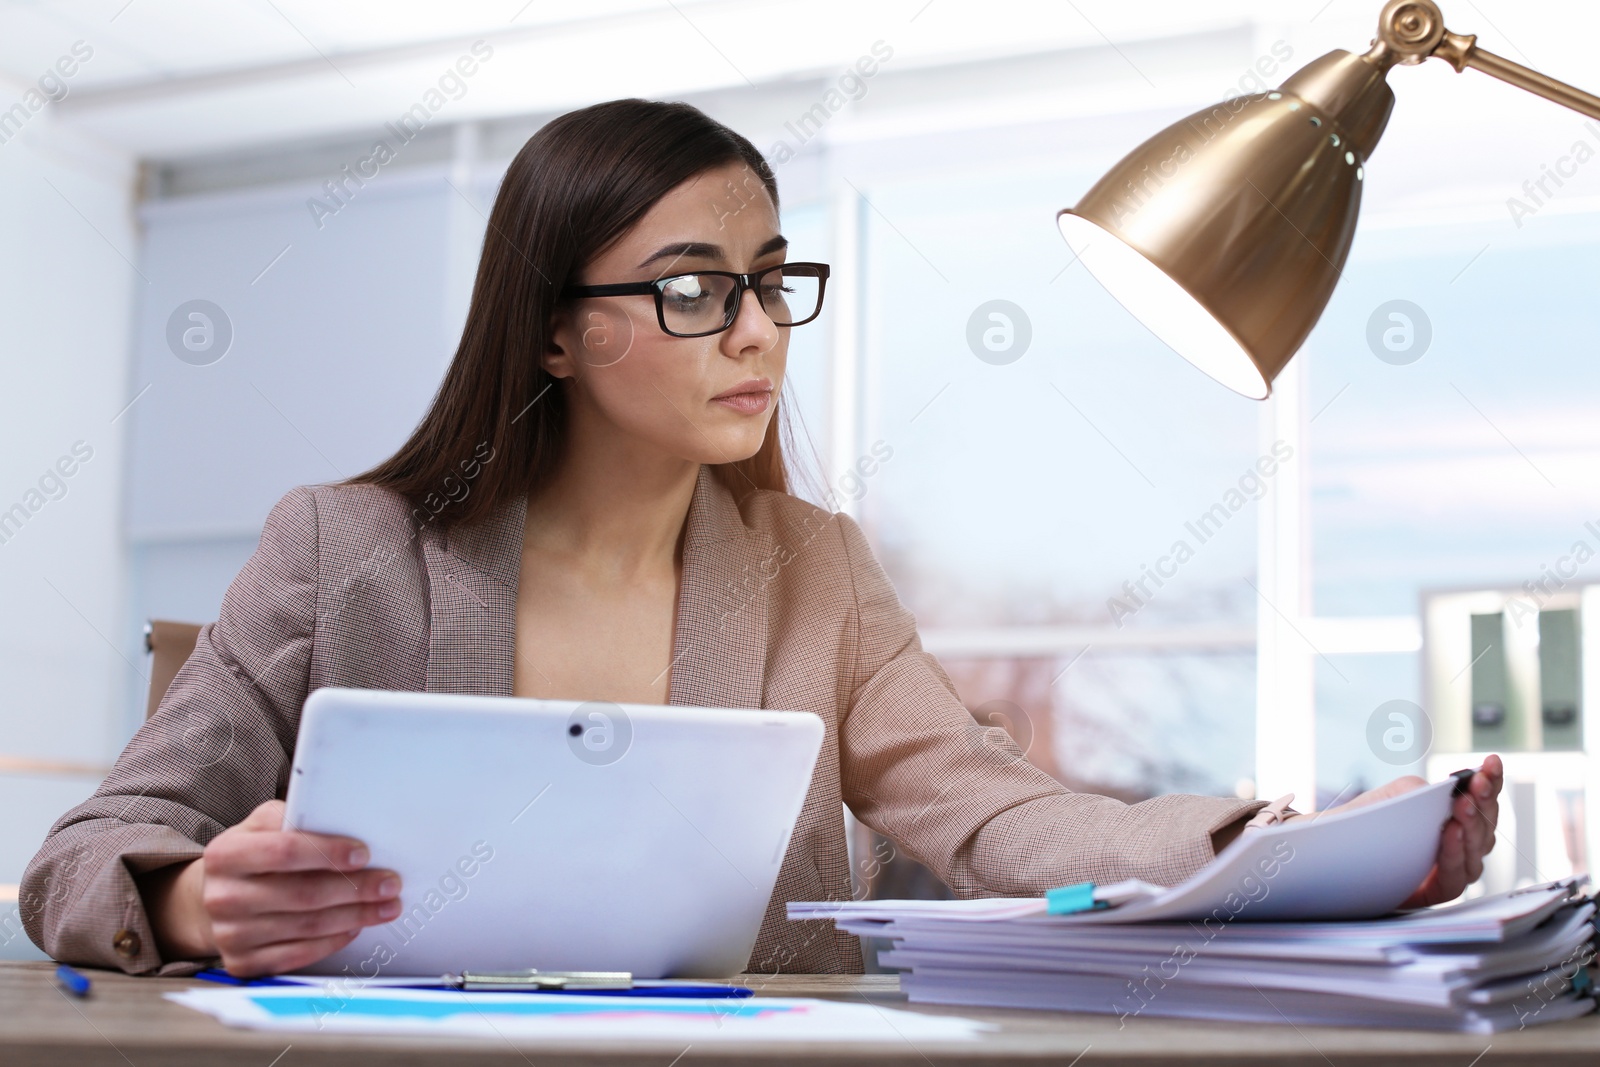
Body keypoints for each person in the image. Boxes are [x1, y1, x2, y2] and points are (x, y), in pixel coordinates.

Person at [21, 99, 1503, 979]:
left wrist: (1283, 851)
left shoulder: (816, 569)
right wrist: (188, 893)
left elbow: (996, 817)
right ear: (553, 331)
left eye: (771, 281)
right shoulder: (345, 550)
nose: (752, 331)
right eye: (690, 289)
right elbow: (83, 855)